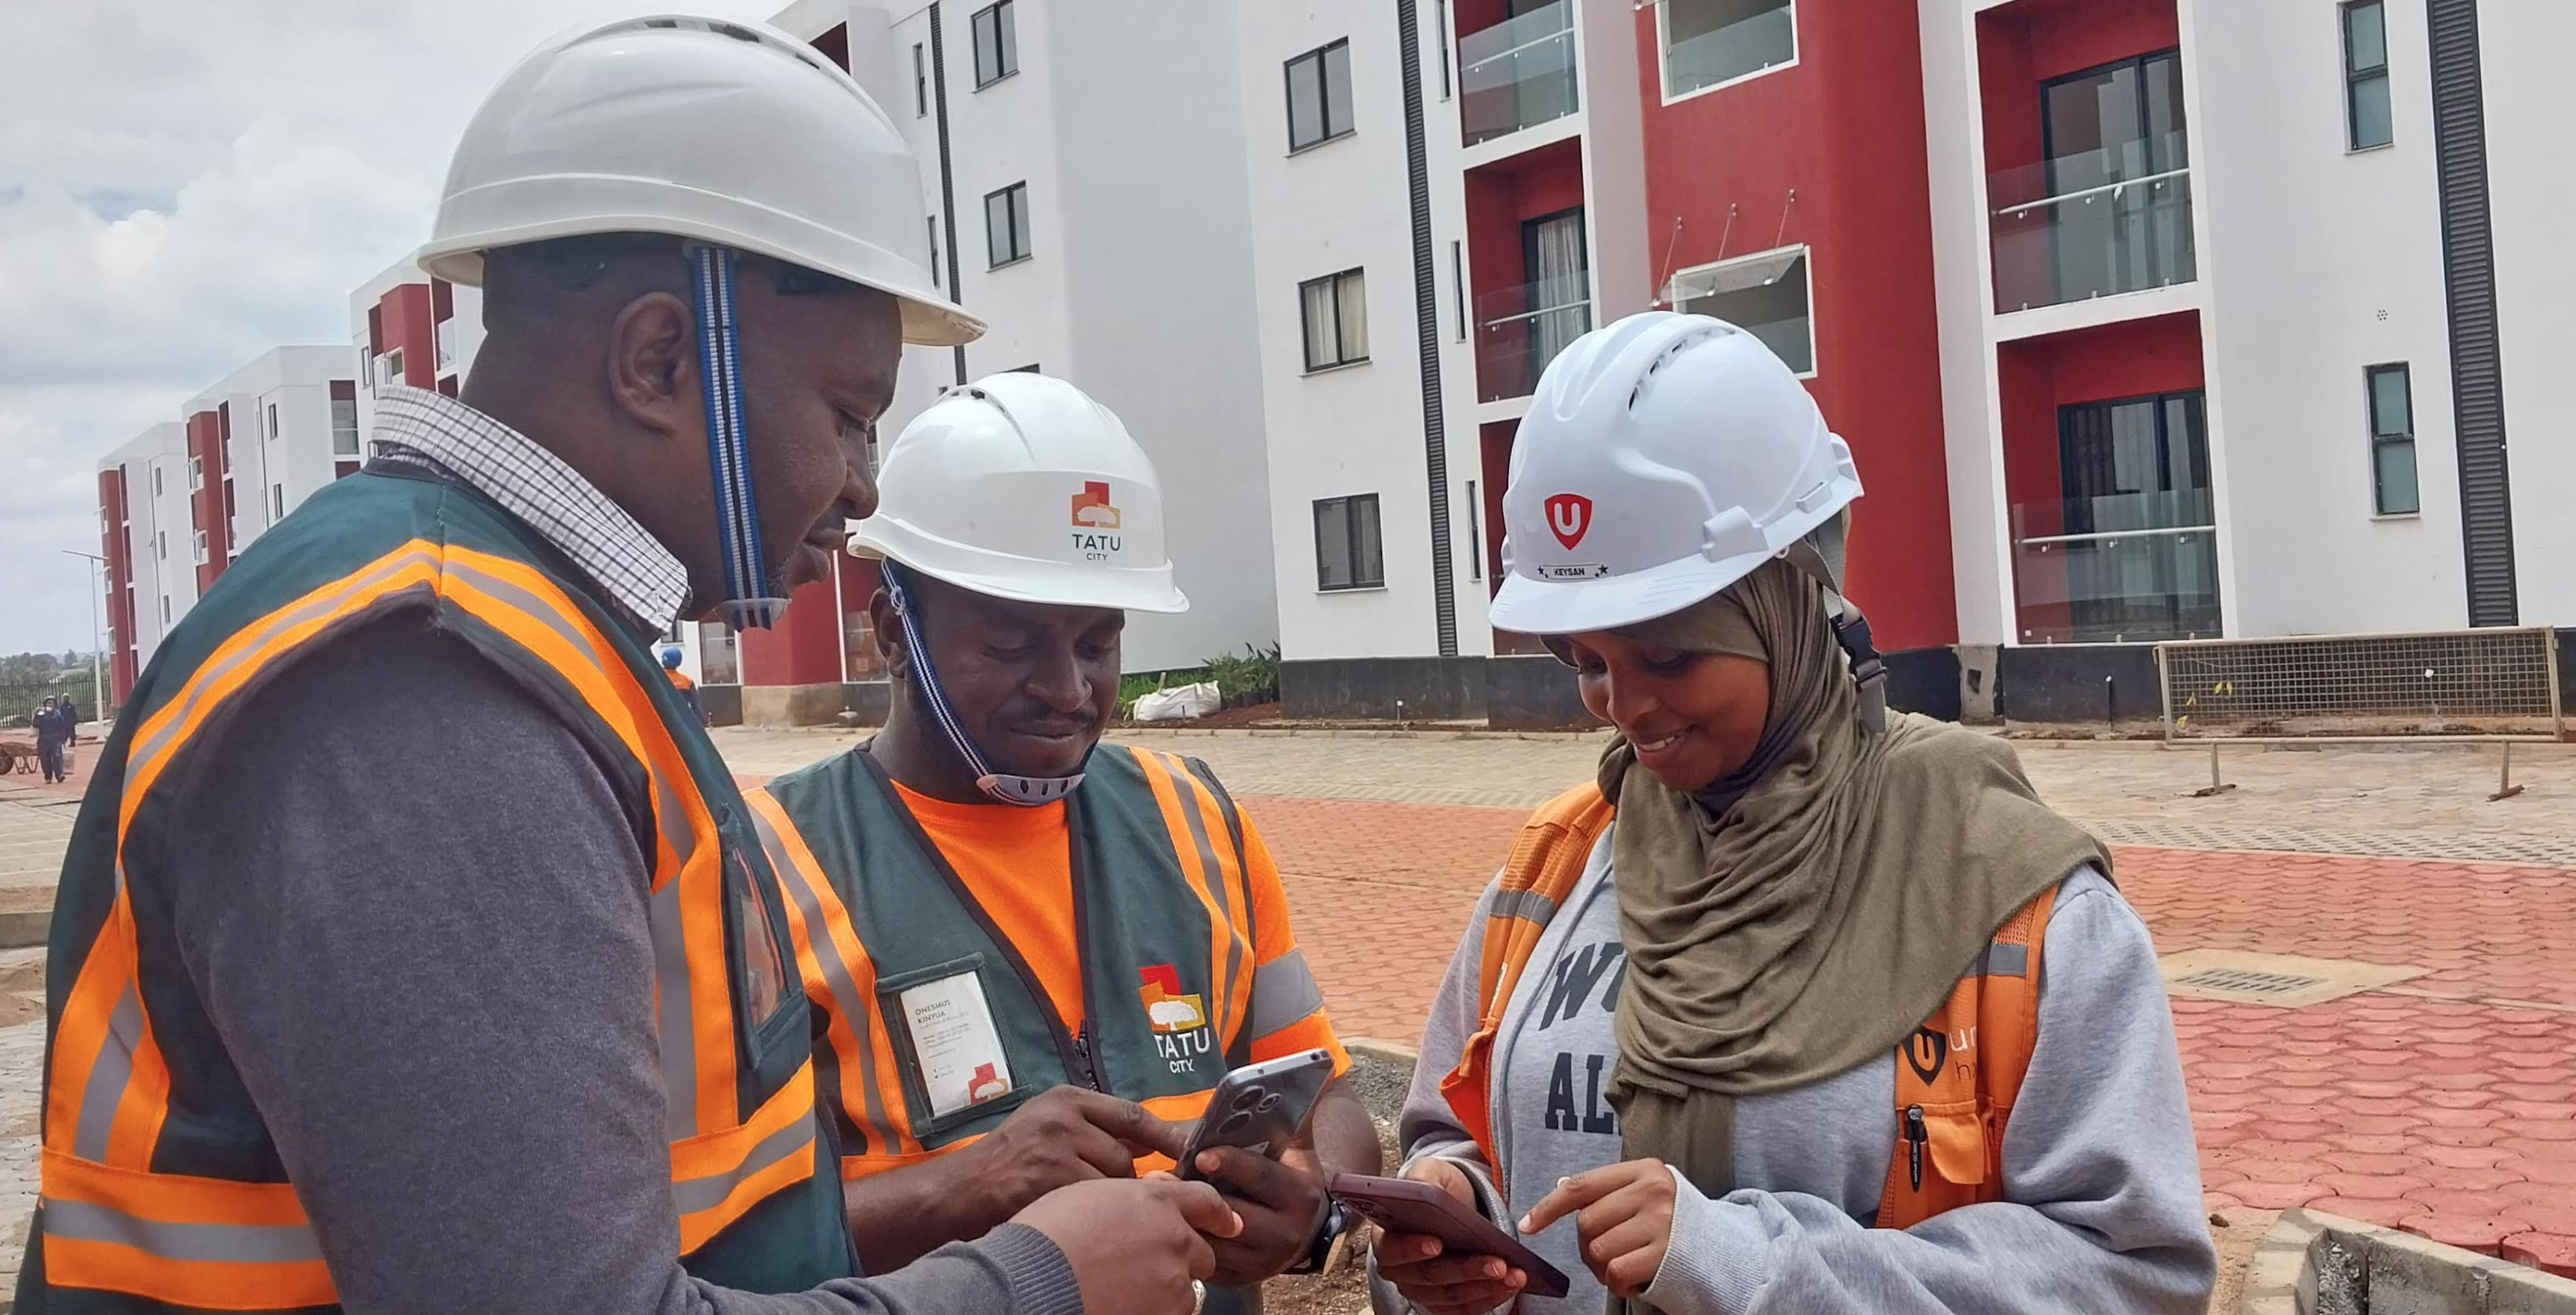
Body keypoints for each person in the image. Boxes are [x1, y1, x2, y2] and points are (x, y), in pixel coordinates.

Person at [21, 19, 1235, 1315]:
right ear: (658, 360)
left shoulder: (544, 644)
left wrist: (961, 1205)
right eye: (846, 413)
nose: (860, 488)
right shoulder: (430, 685)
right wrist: (1040, 1281)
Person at [1370, 313, 2215, 1315]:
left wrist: (1755, 1265)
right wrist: (1452, 1216)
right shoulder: (1556, 863)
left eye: (1669, 654)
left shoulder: (2014, 900)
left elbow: (2135, 1277)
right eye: (1587, 664)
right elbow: (1451, 1135)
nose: (1624, 707)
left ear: (1792, 609)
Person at [746, 373, 1381, 1310]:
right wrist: (965, 1187)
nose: (1068, 689)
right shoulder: (764, 865)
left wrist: (1311, 1194)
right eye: (1010, 644)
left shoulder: (1193, 818)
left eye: (1097, 643)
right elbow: (728, 1239)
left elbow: (1323, 1094)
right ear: (892, 630)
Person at [662, 645, 705, 725]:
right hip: (683, 720)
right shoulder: (687, 681)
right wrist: (700, 723)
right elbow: (696, 706)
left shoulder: (659, 678)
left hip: (664, 719)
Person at [32, 697, 64, 784]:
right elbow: (35, 725)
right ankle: (48, 776)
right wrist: (39, 716)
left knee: (57, 757)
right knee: (45, 759)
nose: (50, 705)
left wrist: (62, 738)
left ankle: (60, 774)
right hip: (43, 739)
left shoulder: (57, 714)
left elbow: (62, 726)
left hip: (55, 738)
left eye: (52, 703)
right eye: (48, 703)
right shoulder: (41, 714)